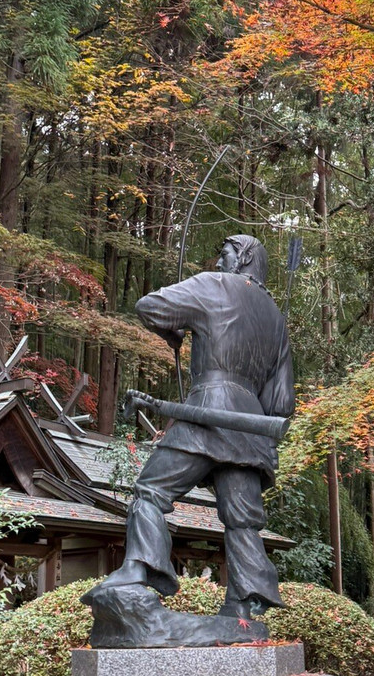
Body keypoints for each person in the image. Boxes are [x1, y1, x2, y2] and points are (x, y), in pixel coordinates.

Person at [85, 234, 295, 620]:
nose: (218, 262)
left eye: (225, 254)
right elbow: (281, 404)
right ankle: (245, 606)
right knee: (242, 519)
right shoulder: (275, 317)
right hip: (249, 426)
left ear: (243, 258)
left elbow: (150, 307)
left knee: (151, 490)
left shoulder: (213, 286)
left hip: (208, 409)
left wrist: (174, 331)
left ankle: (140, 570)